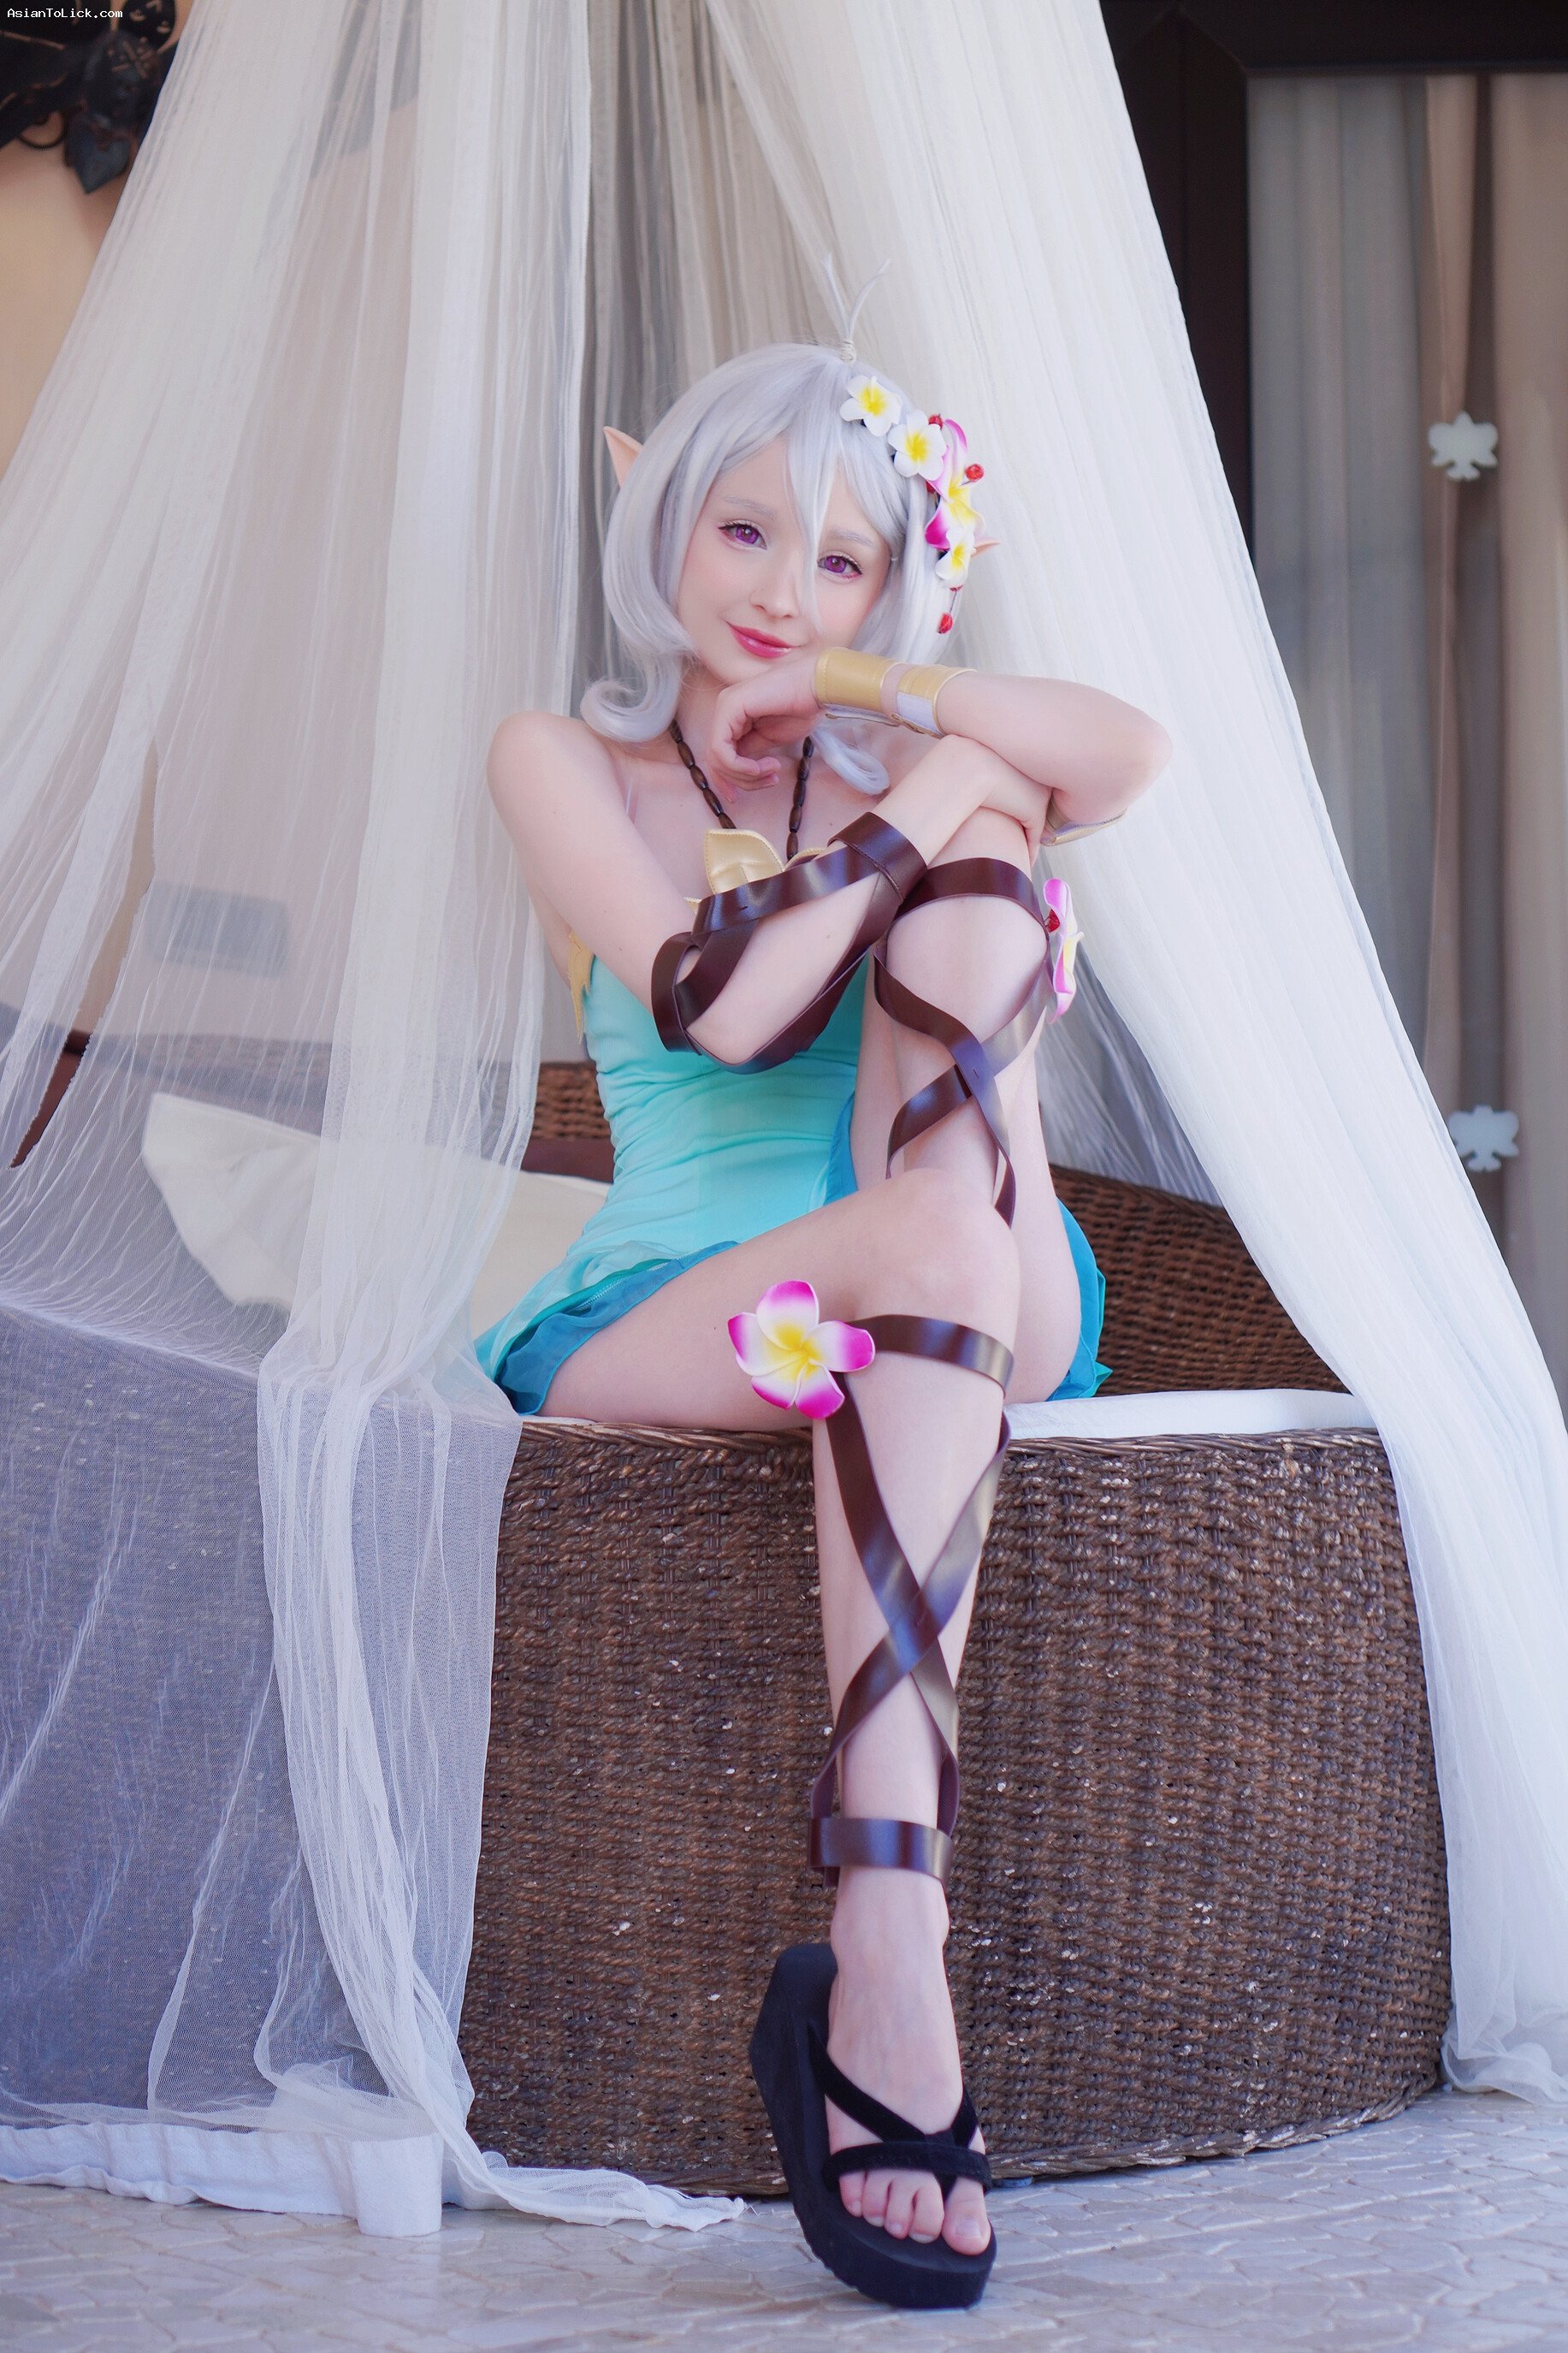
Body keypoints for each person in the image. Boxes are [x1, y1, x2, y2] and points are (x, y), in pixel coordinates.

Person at [478, 341, 1169, 2309]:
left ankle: (877, 1939)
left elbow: (1128, 748)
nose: (784, 589)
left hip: (968, 1257)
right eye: (744, 528)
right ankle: (888, 1941)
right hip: (689, 1303)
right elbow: (728, 1010)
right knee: (976, 863)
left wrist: (891, 723)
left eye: (843, 560)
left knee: (984, 890)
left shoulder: (891, 746)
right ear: (663, 523)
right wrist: (951, 789)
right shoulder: (562, 759)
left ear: (893, 589)